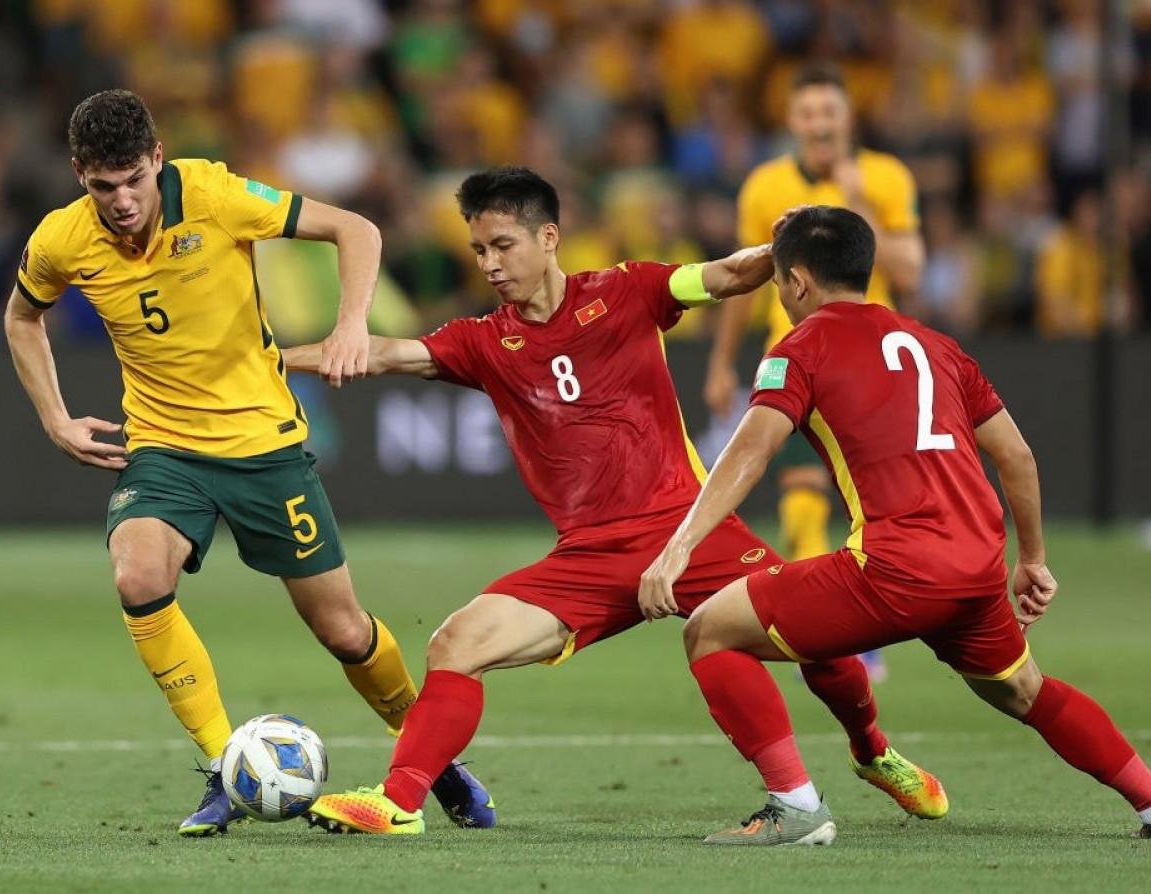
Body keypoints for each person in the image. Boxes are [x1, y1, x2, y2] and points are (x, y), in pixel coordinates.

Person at [283, 167, 946, 836]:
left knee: (816, 641)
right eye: (479, 250)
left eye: (503, 245)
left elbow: (721, 276)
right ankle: (398, 802)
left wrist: (779, 247)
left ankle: (873, 752)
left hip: (688, 530)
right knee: (456, 642)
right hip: (591, 559)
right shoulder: (485, 342)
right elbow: (386, 356)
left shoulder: (629, 289)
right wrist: (276, 358)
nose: (490, 264)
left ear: (549, 237)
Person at [2, 89, 493, 837]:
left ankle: (436, 764)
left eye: (135, 179)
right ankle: (224, 768)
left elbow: (355, 228)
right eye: (104, 186)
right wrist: (54, 418)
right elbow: (22, 316)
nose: (124, 200)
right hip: (164, 448)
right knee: (138, 574)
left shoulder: (216, 194)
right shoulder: (61, 240)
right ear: (79, 175)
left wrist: (351, 324)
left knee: (344, 631)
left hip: (265, 447)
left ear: (156, 159)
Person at [640, 205, 1151, 845]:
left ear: (796, 282)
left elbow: (750, 450)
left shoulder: (798, 348)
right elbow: (1016, 455)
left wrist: (679, 547)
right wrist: (1034, 560)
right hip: (977, 565)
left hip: (893, 570)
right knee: (1023, 688)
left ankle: (794, 806)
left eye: (779, 282)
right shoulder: (936, 345)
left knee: (711, 629)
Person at [704, 65, 926, 682]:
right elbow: (744, 280)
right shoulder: (763, 186)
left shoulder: (885, 176)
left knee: (869, 497)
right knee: (802, 488)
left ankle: (852, 622)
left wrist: (856, 205)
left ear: (847, 116)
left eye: (829, 111)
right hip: (797, 352)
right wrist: (723, 362)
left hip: (872, 361)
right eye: (808, 113)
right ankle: (829, 632)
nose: (820, 124)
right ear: (793, 121)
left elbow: (909, 271)